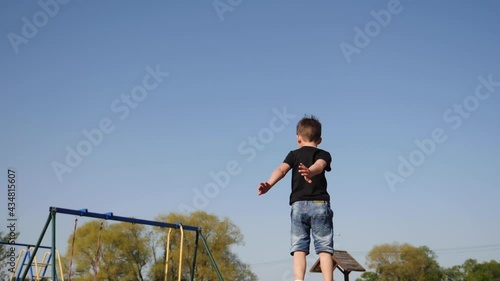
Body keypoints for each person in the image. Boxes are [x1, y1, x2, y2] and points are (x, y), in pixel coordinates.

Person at [258, 115, 334, 281]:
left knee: (299, 247)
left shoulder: (293, 155)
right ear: (320, 140)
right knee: (324, 247)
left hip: (298, 206)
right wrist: (312, 171)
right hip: (320, 205)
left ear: (298, 138)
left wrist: (269, 184)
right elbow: (320, 165)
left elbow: (281, 170)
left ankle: (298, 279)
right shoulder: (324, 153)